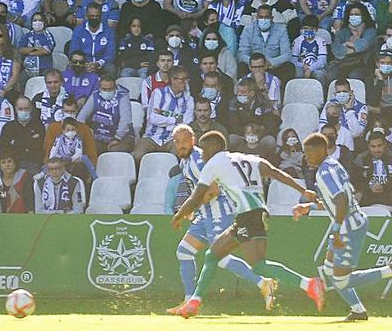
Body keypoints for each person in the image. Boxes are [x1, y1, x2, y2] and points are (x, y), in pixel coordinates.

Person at [168, 131, 324, 318]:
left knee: (259, 266)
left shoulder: (213, 164)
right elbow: (274, 172)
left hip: (249, 216)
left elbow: (195, 198)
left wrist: (178, 216)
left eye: (204, 152)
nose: (201, 155)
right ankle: (193, 302)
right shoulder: (247, 158)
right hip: (251, 216)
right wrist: (303, 190)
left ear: (211, 149)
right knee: (212, 255)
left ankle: (310, 284)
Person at [294, 132, 392, 321]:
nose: (306, 157)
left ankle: (390, 270)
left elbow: (341, 199)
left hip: (349, 228)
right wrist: (310, 207)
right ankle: (358, 310)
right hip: (350, 224)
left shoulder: (324, 172)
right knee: (330, 270)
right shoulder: (332, 165)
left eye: (309, 153)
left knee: (341, 279)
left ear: (322, 149)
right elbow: (336, 201)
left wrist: (336, 229)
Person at [170, 126, 277, 307]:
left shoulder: (198, 159)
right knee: (184, 252)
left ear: (193, 140)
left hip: (220, 212)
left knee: (220, 258)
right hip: (205, 216)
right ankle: (188, 301)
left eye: (185, 141)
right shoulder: (184, 162)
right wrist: (195, 210)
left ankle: (263, 283)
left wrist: (189, 209)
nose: (181, 145)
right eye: (177, 142)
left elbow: (213, 190)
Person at [134, 66, 194, 164]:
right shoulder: (158, 93)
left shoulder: (189, 99)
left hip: (173, 138)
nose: (186, 82)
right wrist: (174, 120)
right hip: (152, 136)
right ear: (173, 80)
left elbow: (186, 123)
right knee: (137, 155)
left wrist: (163, 118)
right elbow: (153, 118)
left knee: (181, 155)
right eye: (182, 79)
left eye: (186, 79)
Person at [77, 75, 134, 154]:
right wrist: (85, 130)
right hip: (99, 135)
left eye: (110, 89)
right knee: (86, 148)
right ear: (99, 88)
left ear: (115, 87)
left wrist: (117, 138)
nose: (107, 91)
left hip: (122, 136)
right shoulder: (95, 95)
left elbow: (126, 120)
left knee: (114, 151)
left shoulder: (123, 97)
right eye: (104, 89)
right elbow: (81, 117)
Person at [237, 5, 294, 83]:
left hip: (272, 66)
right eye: (261, 17)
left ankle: (282, 93)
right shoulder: (248, 30)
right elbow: (242, 54)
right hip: (254, 66)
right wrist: (256, 64)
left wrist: (271, 62)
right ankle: (246, 93)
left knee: (289, 67)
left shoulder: (281, 30)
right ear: (257, 17)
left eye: (266, 17)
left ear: (272, 18)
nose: (263, 19)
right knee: (241, 66)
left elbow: (287, 54)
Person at [349, 132, 392, 213]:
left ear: (385, 144)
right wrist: (369, 187)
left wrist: (383, 187)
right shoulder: (361, 158)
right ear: (368, 146)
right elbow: (355, 180)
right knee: (357, 196)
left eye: (379, 146)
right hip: (367, 192)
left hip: (389, 191)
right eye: (373, 147)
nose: (376, 150)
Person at [69, 3, 116, 75]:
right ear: (86, 16)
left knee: (111, 68)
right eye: (92, 16)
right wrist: (84, 64)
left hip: (102, 65)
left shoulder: (109, 31)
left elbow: (111, 53)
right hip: (82, 63)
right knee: (70, 67)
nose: (94, 18)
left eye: (97, 16)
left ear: (101, 16)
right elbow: (74, 50)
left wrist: (98, 63)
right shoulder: (78, 30)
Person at [0, 96, 45, 170]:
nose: (23, 111)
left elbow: (40, 147)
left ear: (31, 108)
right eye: (20, 109)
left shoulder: (39, 126)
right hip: (14, 165)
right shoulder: (8, 127)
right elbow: (4, 149)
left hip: (34, 164)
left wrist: (15, 142)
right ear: (15, 109)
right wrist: (28, 141)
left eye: (26, 109)